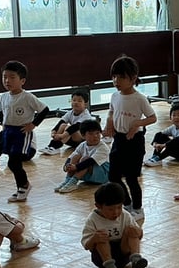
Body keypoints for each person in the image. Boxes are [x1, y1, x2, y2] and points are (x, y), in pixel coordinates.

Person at [0, 60, 50, 203]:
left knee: (14, 162)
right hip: (8, 130)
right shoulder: (3, 96)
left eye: (12, 77)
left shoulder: (27, 97)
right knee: (10, 161)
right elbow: (1, 113)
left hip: (21, 132)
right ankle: (21, 186)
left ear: (22, 81)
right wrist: (2, 127)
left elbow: (44, 110)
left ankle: (24, 186)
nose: (7, 80)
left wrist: (33, 124)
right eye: (4, 77)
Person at [105, 55, 157, 223]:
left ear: (133, 78)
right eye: (114, 76)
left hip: (134, 141)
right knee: (113, 176)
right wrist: (109, 121)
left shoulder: (139, 98)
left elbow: (152, 117)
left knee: (131, 178)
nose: (116, 80)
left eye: (121, 77)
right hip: (119, 140)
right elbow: (111, 111)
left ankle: (138, 208)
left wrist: (137, 124)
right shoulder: (115, 96)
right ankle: (127, 203)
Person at [81, 182, 148, 268]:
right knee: (101, 237)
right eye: (110, 209)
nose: (116, 212)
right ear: (98, 206)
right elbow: (87, 245)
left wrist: (138, 231)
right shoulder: (93, 219)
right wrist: (94, 239)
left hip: (124, 254)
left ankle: (136, 259)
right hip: (103, 258)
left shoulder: (125, 215)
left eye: (119, 207)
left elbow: (139, 235)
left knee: (131, 229)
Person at [55, 119, 111, 193]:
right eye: (91, 134)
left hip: (103, 176)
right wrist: (67, 166)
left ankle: (73, 182)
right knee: (75, 156)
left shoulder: (103, 147)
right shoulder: (83, 145)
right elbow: (71, 157)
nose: (95, 136)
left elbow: (90, 161)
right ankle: (68, 180)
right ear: (83, 135)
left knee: (85, 159)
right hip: (88, 174)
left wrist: (76, 167)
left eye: (97, 133)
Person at [39, 89, 94, 154]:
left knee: (69, 128)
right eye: (74, 100)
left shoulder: (86, 115)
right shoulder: (70, 112)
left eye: (79, 101)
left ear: (85, 104)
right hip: (72, 140)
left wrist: (61, 136)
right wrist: (54, 132)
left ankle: (56, 147)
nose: (76, 102)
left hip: (83, 141)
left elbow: (75, 127)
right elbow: (61, 122)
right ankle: (51, 146)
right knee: (63, 125)